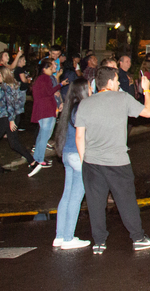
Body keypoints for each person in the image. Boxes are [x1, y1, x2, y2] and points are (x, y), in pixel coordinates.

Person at [75, 65, 150, 254]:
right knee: (126, 201)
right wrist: (146, 89)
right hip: (117, 161)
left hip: (91, 161)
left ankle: (99, 242)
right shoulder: (122, 98)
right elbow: (148, 112)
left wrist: (84, 161)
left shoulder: (85, 103)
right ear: (111, 81)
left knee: (95, 202)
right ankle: (138, 238)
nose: (119, 83)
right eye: (117, 80)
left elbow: (80, 136)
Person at [0, 66, 39, 179]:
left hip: (5, 117)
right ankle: (32, 162)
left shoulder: (6, 87)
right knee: (13, 143)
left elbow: (10, 104)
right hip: (9, 116)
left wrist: (11, 120)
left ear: (1, 75)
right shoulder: (11, 85)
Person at [53, 79, 91, 249]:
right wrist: (85, 160)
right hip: (77, 155)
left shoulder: (69, 106)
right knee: (76, 197)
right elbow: (80, 136)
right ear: (83, 89)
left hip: (66, 154)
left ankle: (60, 236)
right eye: (89, 86)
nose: (91, 89)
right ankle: (68, 238)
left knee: (66, 195)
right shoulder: (82, 108)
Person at [30, 58, 64, 174]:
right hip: (47, 109)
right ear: (45, 69)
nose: (52, 70)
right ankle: (39, 159)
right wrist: (60, 84)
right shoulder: (45, 78)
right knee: (45, 134)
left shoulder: (39, 79)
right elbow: (49, 92)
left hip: (41, 109)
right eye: (50, 68)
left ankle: (37, 158)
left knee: (42, 134)